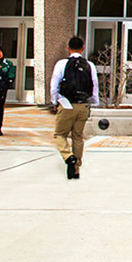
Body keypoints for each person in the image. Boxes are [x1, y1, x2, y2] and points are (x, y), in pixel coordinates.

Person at [51, 35, 99, 180]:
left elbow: (54, 85)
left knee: (60, 134)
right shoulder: (89, 65)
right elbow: (94, 85)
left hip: (66, 103)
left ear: (68, 48)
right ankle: (76, 169)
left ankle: (68, 157)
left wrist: (55, 101)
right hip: (83, 104)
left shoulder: (62, 64)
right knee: (78, 137)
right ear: (83, 48)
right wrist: (93, 102)